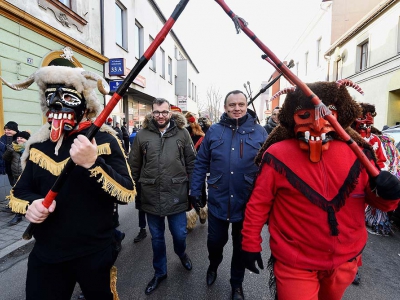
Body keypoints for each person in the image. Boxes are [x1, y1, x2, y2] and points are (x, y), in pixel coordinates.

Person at [241, 81, 400, 300]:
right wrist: (250, 243)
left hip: (345, 261)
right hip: (295, 263)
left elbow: (378, 203)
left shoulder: (359, 153)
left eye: (327, 114)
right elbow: (258, 204)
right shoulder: (277, 155)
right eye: (305, 115)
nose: (317, 125)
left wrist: (389, 194)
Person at [1, 66, 135, 300]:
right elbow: (19, 192)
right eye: (50, 97)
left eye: (67, 97)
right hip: (47, 253)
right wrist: (32, 204)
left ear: (84, 104)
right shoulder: (38, 145)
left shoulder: (104, 139)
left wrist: (93, 162)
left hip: (94, 251)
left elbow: (126, 192)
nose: (56, 104)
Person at [190, 90, 267, 300]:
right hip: (218, 200)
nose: (237, 108)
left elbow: (269, 170)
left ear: (246, 106)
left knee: (241, 248)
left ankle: (236, 285)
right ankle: (213, 264)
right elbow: (201, 163)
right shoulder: (214, 132)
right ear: (225, 108)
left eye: (241, 104)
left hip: (247, 203)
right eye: (232, 105)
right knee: (215, 242)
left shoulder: (260, 133)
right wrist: (195, 190)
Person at [128, 98, 196, 295]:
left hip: (177, 193)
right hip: (151, 194)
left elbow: (191, 163)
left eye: (164, 112)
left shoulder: (183, 134)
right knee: (157, 238)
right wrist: (130, 189)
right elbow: (134, 165)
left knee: (180, 234)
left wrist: (195, 190)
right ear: (152, 113)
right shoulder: (142, 135)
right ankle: (160, 272)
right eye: (157, 112)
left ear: (170, 113)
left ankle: (181, 253)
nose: (160, 116)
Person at [2, 130, 30, 225]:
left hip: (26, 177)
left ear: (27, 140)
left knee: (21, 195)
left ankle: (18, 215)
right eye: (18, 137)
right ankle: (17, 211)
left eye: (22, 138)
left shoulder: (31, 149)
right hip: (16, 176)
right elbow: (5, 158)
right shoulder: (13, 148)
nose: (19, 139)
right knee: (16, 194)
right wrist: (9, 151)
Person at [185, 112, 207, 228]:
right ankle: (202, 212)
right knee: (201, 191)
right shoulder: (202, 136)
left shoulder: (183, 134)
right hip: (199, 169)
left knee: (189, 194)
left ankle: (190, 220)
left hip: (186, 169)